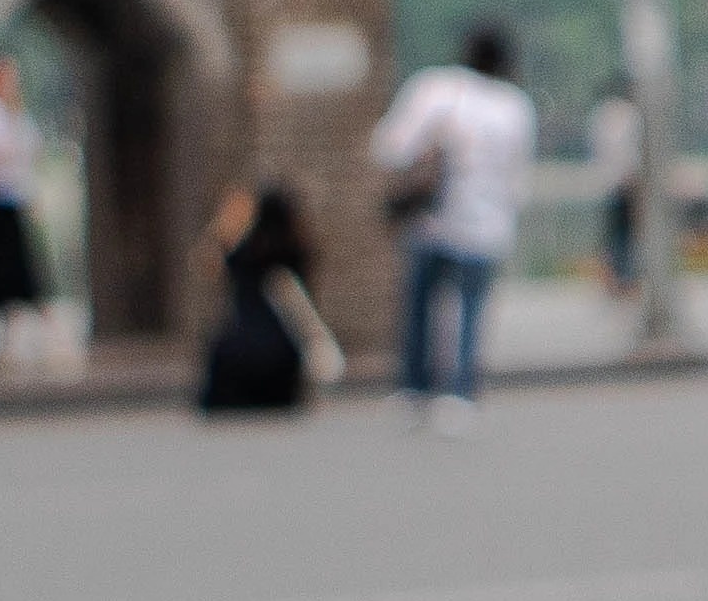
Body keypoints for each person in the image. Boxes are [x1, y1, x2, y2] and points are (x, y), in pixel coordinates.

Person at [370, 22, 536, 430]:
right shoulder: (514, 106)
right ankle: (460, 391)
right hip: (487, 225)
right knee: (470, 311)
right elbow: (518, 176)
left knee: (420, 306)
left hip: (433, 218)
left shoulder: (436, 90)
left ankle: (415, 386)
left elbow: (390, 147)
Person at [0, 58, 71, 374]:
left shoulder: (16, 113)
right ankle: (2, 343)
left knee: (27, 272)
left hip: (15, 199)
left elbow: (28, 152)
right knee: (0, 274)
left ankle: (42, 339)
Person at [197, 185, 340, 414]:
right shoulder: (294, 251)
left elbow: (210, 262)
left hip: (237, 353)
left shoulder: (245, 251)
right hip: (283, 354)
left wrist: (229, 220)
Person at [585, 87, 642, 298]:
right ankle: (624, 280)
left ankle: (614, 279)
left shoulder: (601, 115)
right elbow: (631, 153)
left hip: (608, 182)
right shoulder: (630, 115)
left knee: (614, 236)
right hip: (627, 183)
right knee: (626, 236)